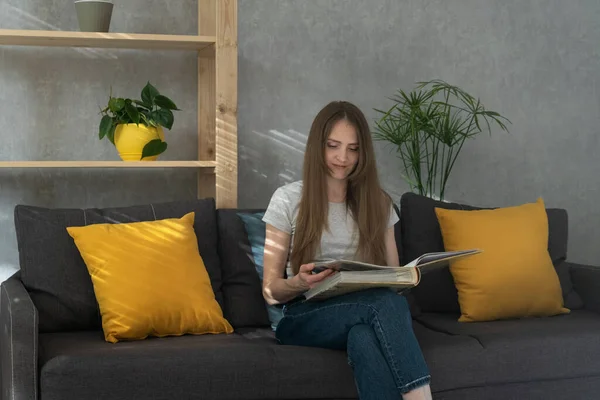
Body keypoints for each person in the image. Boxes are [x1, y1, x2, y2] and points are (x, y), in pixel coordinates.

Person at [261, 100, 432, 400]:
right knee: (381, 307)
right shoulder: (287, 200)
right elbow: (270, 291)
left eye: (353, 149)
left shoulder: (378, 203)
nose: (343, 158)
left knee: (364, 337)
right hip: (303, 316)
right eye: (333, 146)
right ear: (318, 146)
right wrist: (298, 282)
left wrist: (409, 276)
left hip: (363, 310)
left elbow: (394, 280)